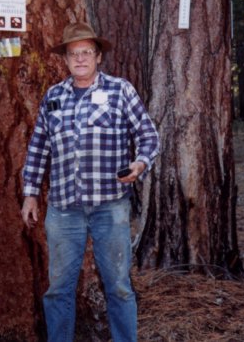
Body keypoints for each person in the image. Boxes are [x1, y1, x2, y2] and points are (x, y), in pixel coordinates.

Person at [21, 22, 160, 342]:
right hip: (63, 210)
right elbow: (38, 147)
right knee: (58, 290)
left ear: (98, 57)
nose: (80, 59)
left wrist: (141, 163)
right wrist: (30, 195)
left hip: (110, 207)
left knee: (120, 287)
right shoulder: (53, 97)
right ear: (65, 60)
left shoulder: (120, 90)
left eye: (86, 53)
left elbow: (149, 136)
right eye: (73, 54)